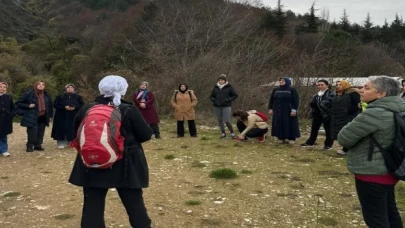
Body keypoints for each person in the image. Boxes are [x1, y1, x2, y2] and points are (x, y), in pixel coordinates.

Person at [69, 75, 153, 228]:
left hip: (92, 163)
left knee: (92, 207)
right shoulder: (129, 109)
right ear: (123, 89)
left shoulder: (87, 108)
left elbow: (75, 133)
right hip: (126, 166)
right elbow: (146, 134)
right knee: (134, 205)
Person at [338, 76, 404, 228]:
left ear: (381, 94)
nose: (361, 90)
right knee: (390, 212)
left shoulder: (374, 113)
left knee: (376, 219)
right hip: (391, 168)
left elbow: (343, 138)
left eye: (367, 88)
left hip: (371, 172)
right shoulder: (399, 108)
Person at [15, 81, 53, 152]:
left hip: (43, 116)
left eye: (43, 84)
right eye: (39, 84)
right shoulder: (29, 94)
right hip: (32, 116)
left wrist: (50, 115)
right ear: (35, 86)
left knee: (41, 132)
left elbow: (49, 105)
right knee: (32, 132)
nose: (41, 86)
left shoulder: (46, 95)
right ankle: (29, 146)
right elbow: (18, 102)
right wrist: (28, 105)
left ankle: (38, 145)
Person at [301, 79, 335, 150]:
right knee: (314, 129)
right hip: (317, 113)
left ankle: (328, 145)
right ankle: (310, 142)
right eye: (319, 85)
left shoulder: (331, 93)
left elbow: (328, 102)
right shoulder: (316, 94)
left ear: (327, 85)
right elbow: (313, 103)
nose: (320, 86)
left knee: (328, 130)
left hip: (327, 114)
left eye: (322, 85)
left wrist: (318, 104)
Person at [329, 80, 361, 155]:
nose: (338, 86)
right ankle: (345, 148)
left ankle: (346, 149)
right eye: (337, 84)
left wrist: (348, 111)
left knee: (348, 133)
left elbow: (357, 105)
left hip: (349, 117)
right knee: (340, 133)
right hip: (337, 116)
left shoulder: (352, 94)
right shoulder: (336, 94)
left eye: (340, 84)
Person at [268, 77, 300, 144]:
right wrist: (270, 108)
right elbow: (271, 100)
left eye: (283, 81)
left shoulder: (292, 89)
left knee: (289, 123)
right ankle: (281, 137)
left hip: (288, 109)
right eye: (280, 81)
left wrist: (294, 110)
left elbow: (296, 100)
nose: (281, 82)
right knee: (279, 122)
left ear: (287, 81)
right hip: (278, 109)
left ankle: (291, 138)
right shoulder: (276, 89)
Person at [51, 84, 84, 148]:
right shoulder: (60, 97)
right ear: (65, 89)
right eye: (68, 87)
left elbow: (82, 105)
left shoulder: (78, 97)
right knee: (60, 129)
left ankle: (71, 142)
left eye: (71, 87)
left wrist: (75, 107)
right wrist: (64, 107)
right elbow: (55, 105)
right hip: (61, 116)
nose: (70, 88)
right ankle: (61, 143)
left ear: (74, 89)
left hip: (73, 116)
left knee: (72, 129)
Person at [210, 74, 238, 139]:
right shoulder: (215, 87)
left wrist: (228, 100)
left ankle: (232, 133)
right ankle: (223, 133)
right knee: (220, 120)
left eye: (222, 80)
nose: (220, 81)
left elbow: (235, 95)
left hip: (226, 106)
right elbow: (211, 96)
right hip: (217, 106)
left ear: (225, 81)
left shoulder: (229, 87)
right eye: (219, 80)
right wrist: (214, 100)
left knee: (227, 120)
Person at [0, 82, 15, 157]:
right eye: (0, 86)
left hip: (5, 119)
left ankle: (4, 150)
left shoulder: (9, 97)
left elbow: (13, 107)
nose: (2, 88)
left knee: (3, 135)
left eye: (4, 87)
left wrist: (11, 115)